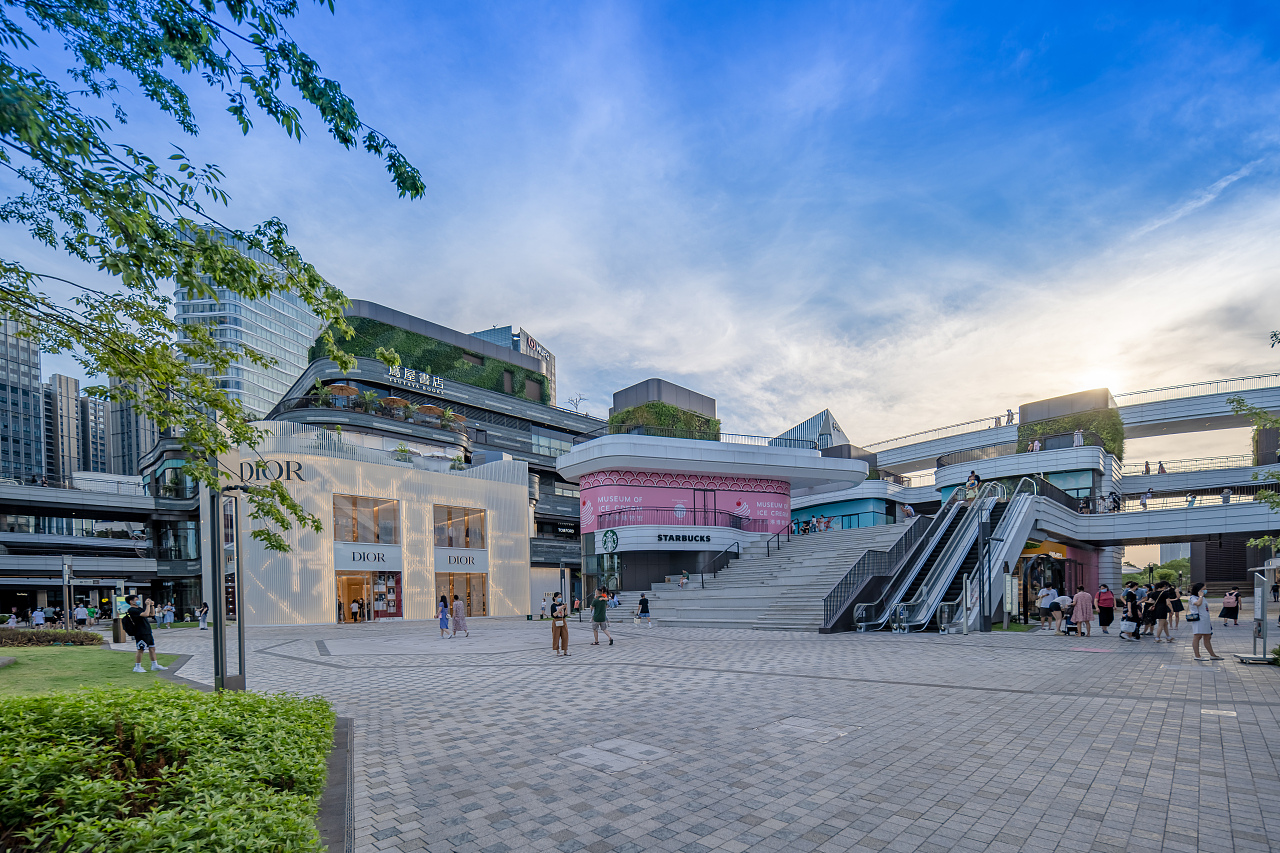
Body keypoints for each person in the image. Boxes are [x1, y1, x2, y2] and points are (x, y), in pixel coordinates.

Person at [122, 595, 166, 673]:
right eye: (136, 599)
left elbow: (151, 614)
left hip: (147, 631)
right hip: (140, 632)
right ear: (131, 602)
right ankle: (137, 666)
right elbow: (145, 614)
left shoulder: (139, 609)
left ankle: (154, 665)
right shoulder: (131, 610)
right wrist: (147, 605)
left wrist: (151, 605)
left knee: (152, 648)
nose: (138, 601)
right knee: (141, 649)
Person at [1188, 583, 1221, 660]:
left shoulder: (1203, 598)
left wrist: (1201, 597)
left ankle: (1212, 654)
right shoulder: (1193, 597)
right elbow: (1198, 604)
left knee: (1208, 636)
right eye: (1204, 588)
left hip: (1205, 620)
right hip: (1198, 620)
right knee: (1197, 636)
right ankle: (1197, 655)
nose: (1205, 590)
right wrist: (1200, 596)